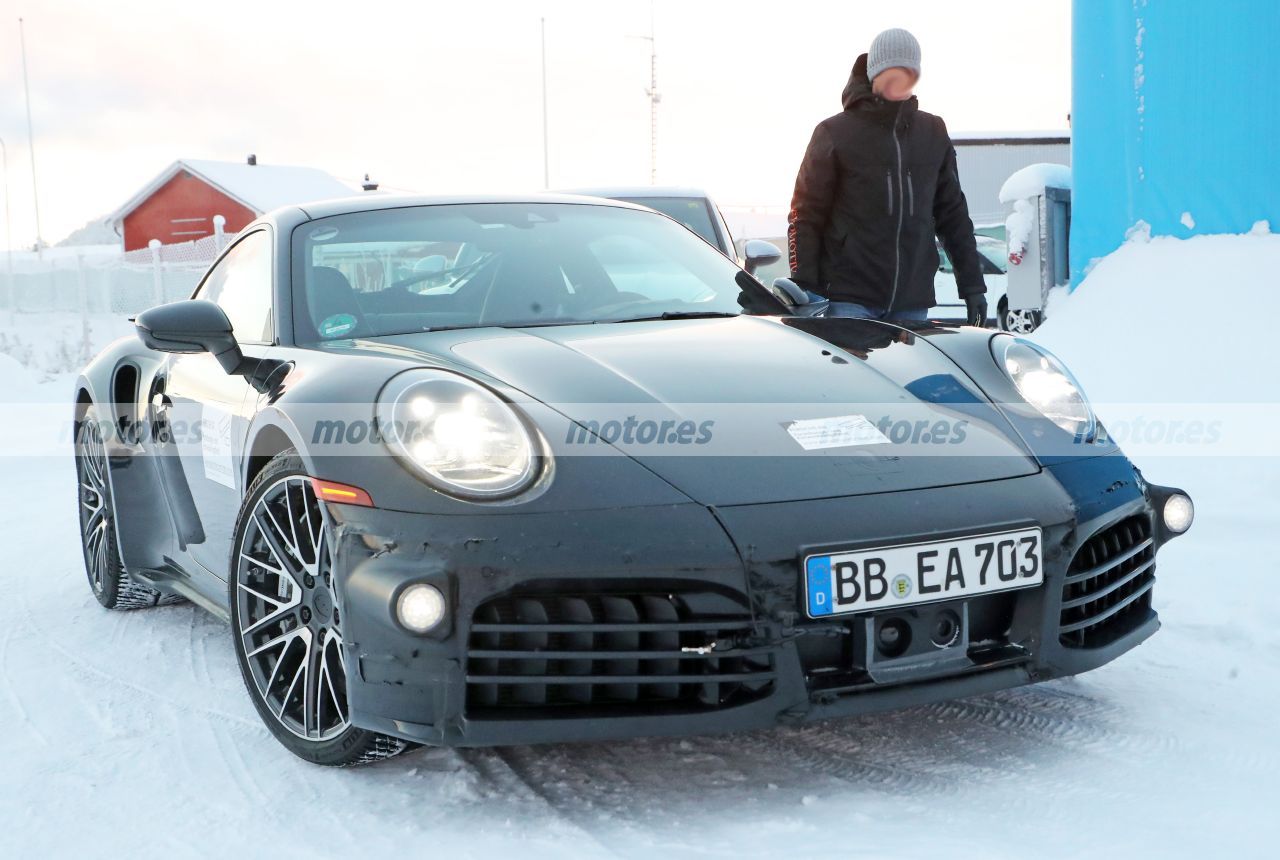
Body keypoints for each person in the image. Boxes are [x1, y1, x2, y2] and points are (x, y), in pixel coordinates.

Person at [787, 28, 988, 324]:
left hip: (912, 301)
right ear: (874, 75)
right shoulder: (834, 133)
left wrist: (972, 286)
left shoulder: (932, 132)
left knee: (907, 374)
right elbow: (805, 215)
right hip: (848, 298)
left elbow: (952, 214)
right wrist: (804, 286)